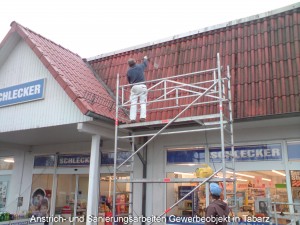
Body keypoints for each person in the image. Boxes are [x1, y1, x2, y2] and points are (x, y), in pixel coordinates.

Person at [126, 56, 148, 123]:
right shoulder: (140, 66)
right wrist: (145, 58)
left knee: (133, 103)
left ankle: (132, 119)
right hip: (143, 86)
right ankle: (142, 118)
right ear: (135, 62)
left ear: (129, 64)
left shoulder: (129, 71)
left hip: (134, 86)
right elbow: (145, 64)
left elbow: (129, 81)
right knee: (143, 102)